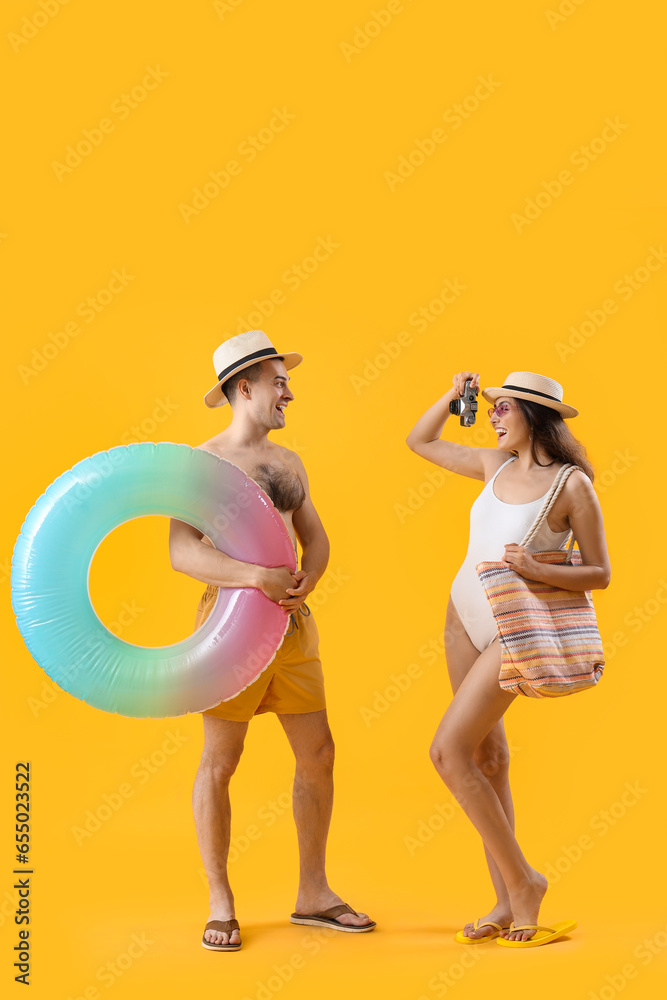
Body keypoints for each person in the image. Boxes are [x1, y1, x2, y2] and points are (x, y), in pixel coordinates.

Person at [169, 330, 375, 951]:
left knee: (319, 752)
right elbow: (182, 552)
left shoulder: (289, 463)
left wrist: (308, 578)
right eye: (280, 382)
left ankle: (313, 893)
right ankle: (220, 901)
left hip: (292, 625)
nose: (290, 391)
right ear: (245, 386)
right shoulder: (199, 464)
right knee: (220, 763)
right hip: (227, 625)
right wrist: (253, 575)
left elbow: (317, 538)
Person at [406, 370, 610, 947]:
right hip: (460, 618)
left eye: (503, 408)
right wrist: (450, 398)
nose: (492, 415)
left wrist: (540, 568)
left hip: (510, 626)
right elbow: (419, 442)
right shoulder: (493, 466)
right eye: (489, 407)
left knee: (447, 753)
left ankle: (524, 886)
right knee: (487, 756)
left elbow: (601, 571)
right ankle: (502, 899)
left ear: (534, 415)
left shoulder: (571, 486)